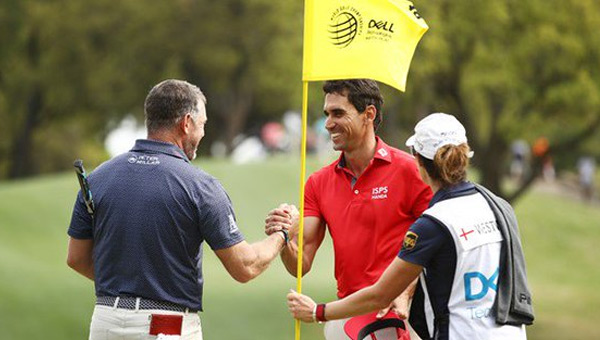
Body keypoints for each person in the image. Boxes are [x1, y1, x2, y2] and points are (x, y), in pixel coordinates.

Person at [67, 79, 295, 340]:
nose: (203, 133)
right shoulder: (201, 186)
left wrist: (127, 288)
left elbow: (77, 258)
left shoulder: (97, 178)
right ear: (186, 123)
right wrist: (283, 234)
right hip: (165, 327)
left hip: (104, 322)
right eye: (203, 124)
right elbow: (245, 266)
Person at [287, 113, 535, 340]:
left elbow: (379, 295)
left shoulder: (433, 223)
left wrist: (318, 311)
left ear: (417, 159)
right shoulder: (499, 206)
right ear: (464, 153)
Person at [266, 79, 432, 339]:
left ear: (369, 114)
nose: (329, 123)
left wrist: (404, 291)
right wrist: (284, 236)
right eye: (327, 114)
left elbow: (434, 245)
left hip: (401, 316)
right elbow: (301, 263)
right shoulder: (318, 183)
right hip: (349, 318)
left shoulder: (410, 170)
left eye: (338, 113)